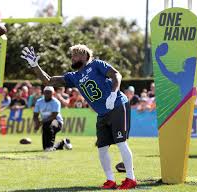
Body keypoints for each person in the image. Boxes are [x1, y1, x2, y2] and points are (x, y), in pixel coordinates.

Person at [21, 44, 137, 189]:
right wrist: (35, 65)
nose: (72, 58)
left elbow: (116, 75)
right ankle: (110, 180)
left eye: (74, 55)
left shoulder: (96, 64)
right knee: (101, 148)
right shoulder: (74, 76)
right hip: (102, 113)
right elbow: (49, 81)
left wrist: (113, 94)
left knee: (121, 142)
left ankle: (131, 179)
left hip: (118, 104)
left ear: (84, 55)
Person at [33, 86, 63, 151]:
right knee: (45, 147)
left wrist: (40, 123)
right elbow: (35, 115)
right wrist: (37, 122)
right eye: (46, 93)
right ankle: (61, 144)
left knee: (48, 125)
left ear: (53, 93)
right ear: (43, 93)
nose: (47, 94)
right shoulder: (39, 102)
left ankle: (50, 146)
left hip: (57, 122)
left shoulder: (56, 102)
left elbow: (53, 116)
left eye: (49, 93)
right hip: (45, 122)